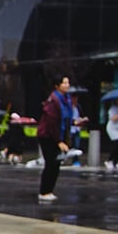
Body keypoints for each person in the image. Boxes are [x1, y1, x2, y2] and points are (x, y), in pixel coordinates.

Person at [36, 74, 73, 202]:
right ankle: (44, 191)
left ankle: (49, 190)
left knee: (56, 164)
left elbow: (66, 119)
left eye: (68, 83)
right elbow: (51, 123)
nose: (67, 85)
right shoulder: (53, 100)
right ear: (57, 86)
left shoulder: (66, 99)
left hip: (59, 135)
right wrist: (59, 141)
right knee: (51, 163)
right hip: (48, 135)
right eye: (64, 83)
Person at [104, 97, 118, 170]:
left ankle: (116, 162)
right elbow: (113, 119)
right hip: (113, 129)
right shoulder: (113, 109)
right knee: (117, 143)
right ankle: (109, 160)